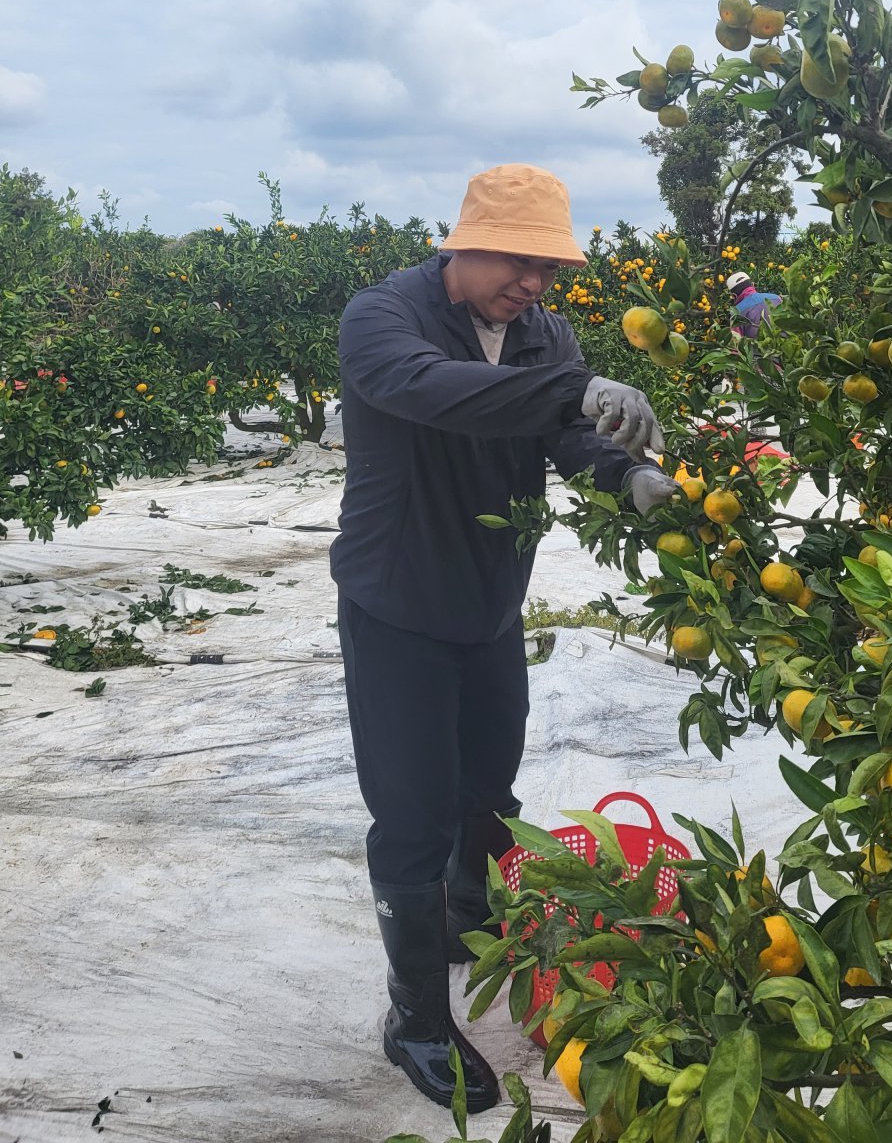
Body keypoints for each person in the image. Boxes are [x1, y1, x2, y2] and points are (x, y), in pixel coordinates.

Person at [331, 163, 679, 1113]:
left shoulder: (544, 335)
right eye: (518, 262)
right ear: (464, 239)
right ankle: (412, 1018)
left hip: (490, 601)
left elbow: (561, 438)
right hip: (397, 600)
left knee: (490, 789)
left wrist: (623, 474)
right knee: (413, 817)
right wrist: (571, 394)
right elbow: (435, 393)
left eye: (550, 269)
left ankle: (468, 924)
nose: (533, 284)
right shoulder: (384, 319)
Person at [726, 269, 782, 340]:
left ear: (734, 296)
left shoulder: (736, 312)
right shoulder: (776, 298)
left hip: (759, 350)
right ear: (752, 285)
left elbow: (736, 343)